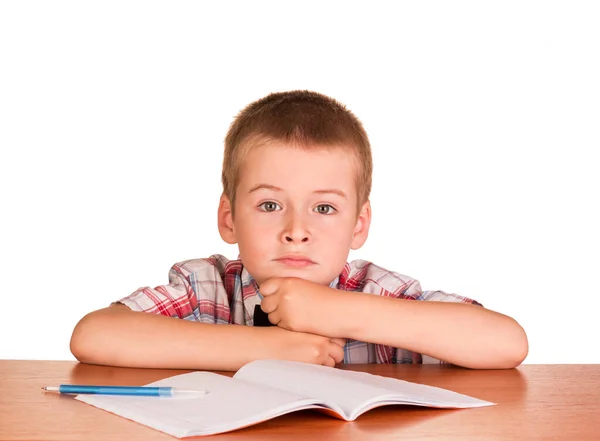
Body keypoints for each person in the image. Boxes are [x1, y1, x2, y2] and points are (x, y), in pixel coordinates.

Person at [70, 90, 528, 371]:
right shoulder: (206, 286)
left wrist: (339, 310)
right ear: (228, 218)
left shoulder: (373, 290)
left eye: (324, 208)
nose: (296, 231)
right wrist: (260, 349)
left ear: (359, 225)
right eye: (270, 204)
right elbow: (94, 335)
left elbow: (508, 343)